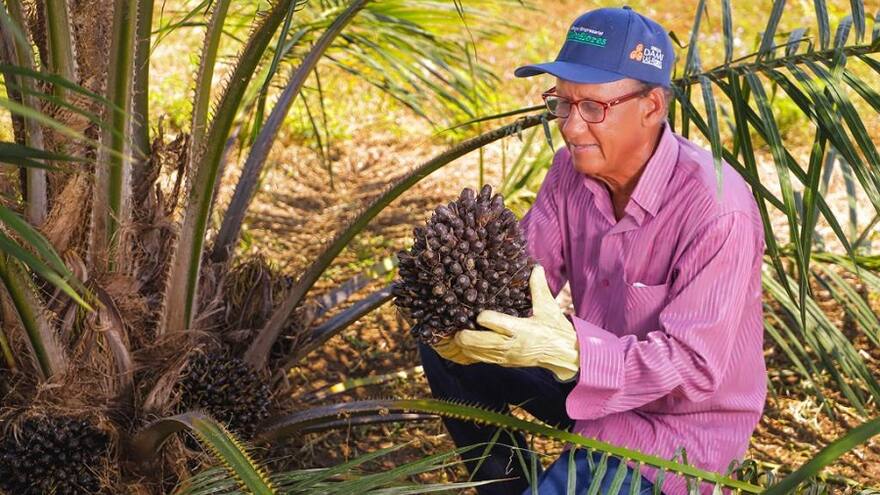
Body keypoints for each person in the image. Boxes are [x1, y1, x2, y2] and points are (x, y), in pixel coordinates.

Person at [418, 6, 767, 495]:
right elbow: (523, 275)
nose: (571, 127)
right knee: (450, 346)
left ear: (651, 106)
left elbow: (694, 369)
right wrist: (463, 300)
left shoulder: (717, 208)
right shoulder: (570, 173)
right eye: (562, 103)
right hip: (586, 378)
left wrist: (575, 354)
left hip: (673, 430)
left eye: (593, 108)